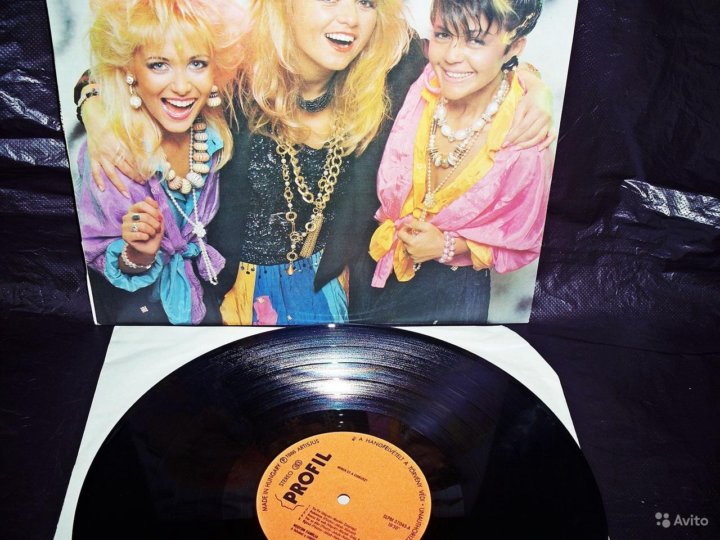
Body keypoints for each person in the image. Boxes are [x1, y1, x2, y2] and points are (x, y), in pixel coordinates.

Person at [80, 0, 553, 325]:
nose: (349, 19)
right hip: (229, 302)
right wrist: (94, 105)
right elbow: (140, 66)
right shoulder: (234, 65)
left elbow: (472, 58)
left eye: (366, 2)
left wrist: (532, 84)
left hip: (339, 300)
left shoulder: (391, 69)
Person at [364, 0, 552, 323]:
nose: (452, 55)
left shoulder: (523, 140)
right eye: (443, 34)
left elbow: (521, 240)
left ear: (513, 48)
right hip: (372, 276)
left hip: (452, 299)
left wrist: (448, 246)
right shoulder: (417, 77)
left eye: (475, 40)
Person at [76, 0, 243, 324]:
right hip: (139, 319)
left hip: (210, 302)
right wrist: (139, 254)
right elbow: (98, 259)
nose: (181, 87)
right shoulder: (111, 152)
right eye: (158, 65)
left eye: (197, 63)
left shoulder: (214, 133)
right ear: (130, 70)